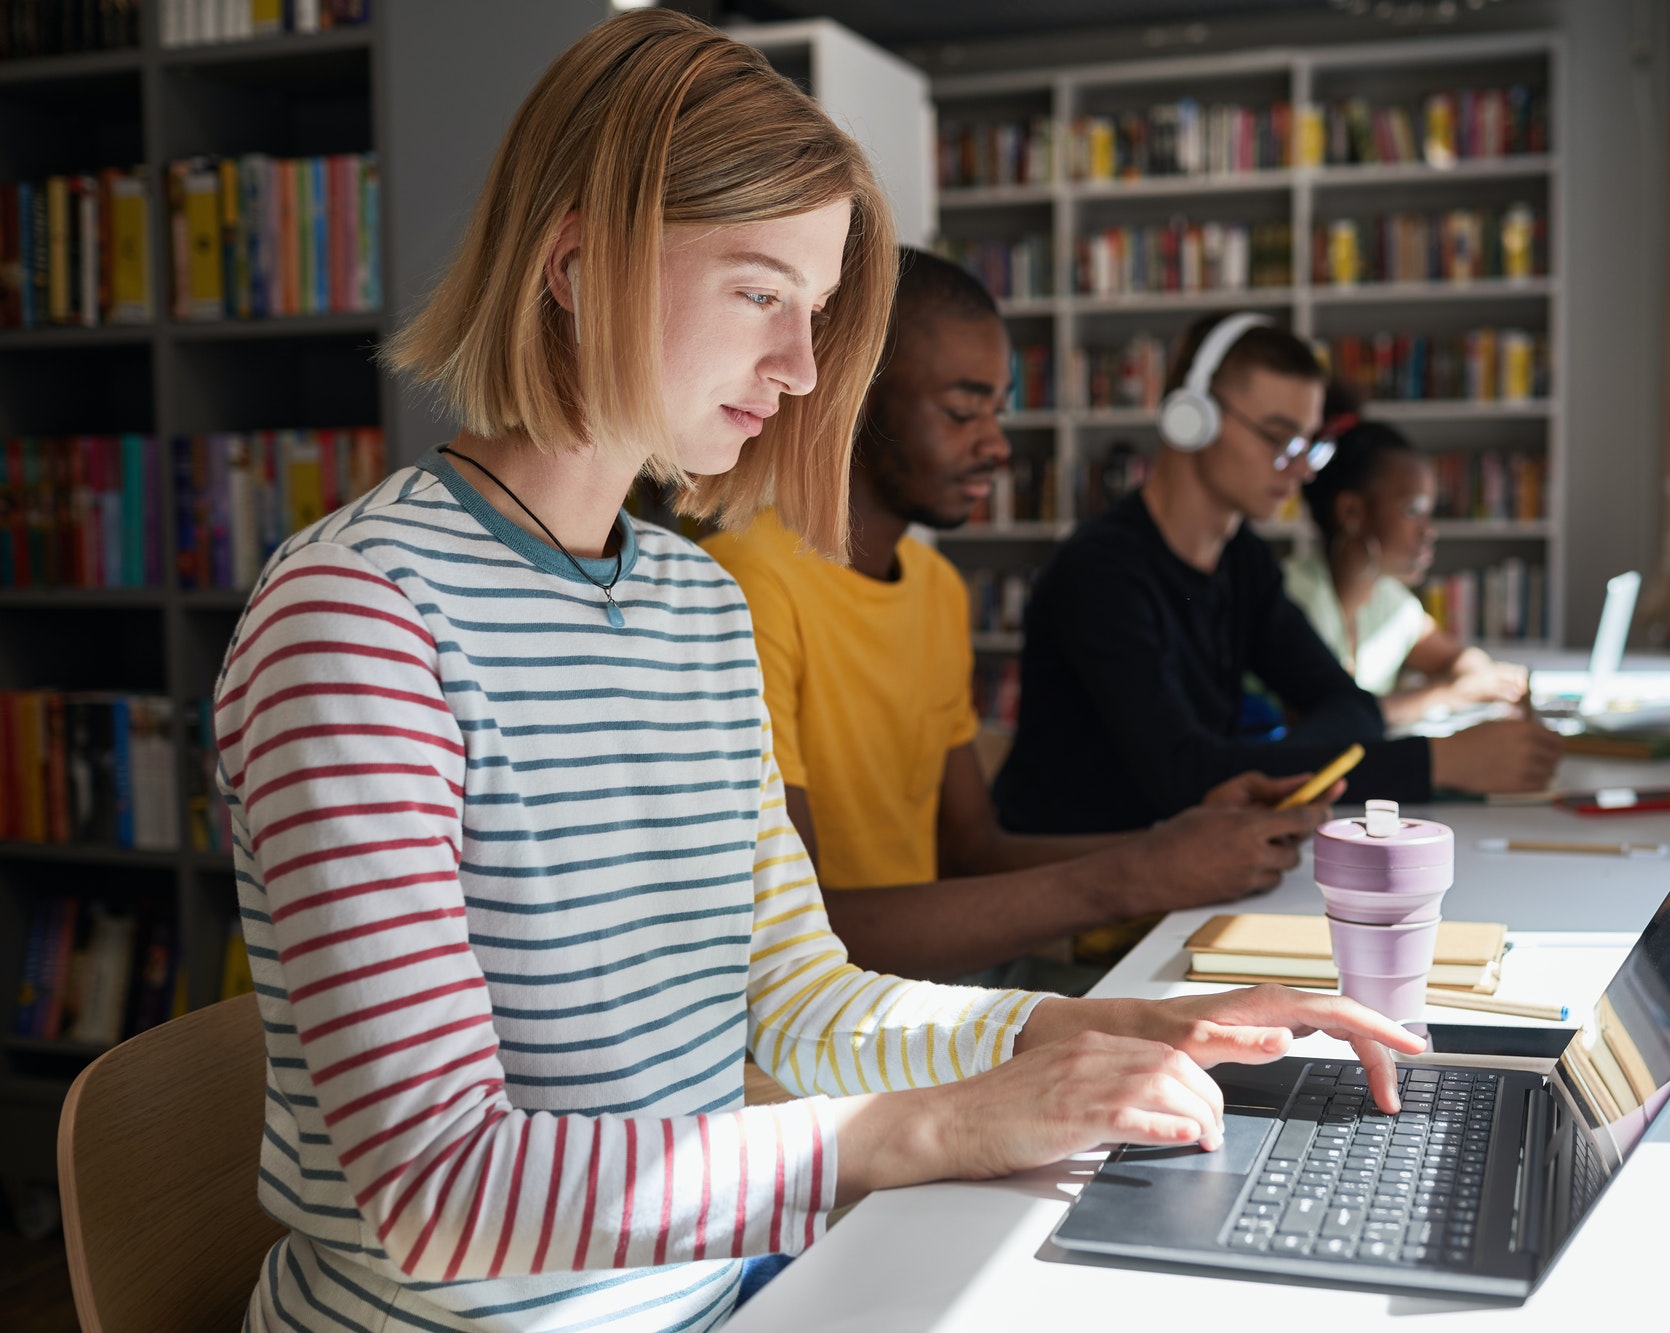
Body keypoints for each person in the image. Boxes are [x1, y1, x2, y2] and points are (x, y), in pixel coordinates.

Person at [213, 16, 1421, 1333]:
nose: (798, 372)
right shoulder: (359, 620)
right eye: (758, 293)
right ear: (574, 263)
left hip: (720, 1292)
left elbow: (797, 997)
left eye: (816, 312)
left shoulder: (693, 605)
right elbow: (442, 1191)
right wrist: (939, 1126)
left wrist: (1091, 1034)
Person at [706, 249, 1328, 985]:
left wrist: (1177, 842)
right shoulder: (746, 582)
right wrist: (1140, 874)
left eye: (997, 411)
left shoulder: (934, 586)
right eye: (963, 411)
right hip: (832, 1025)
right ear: (854, 397)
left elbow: (975, 850)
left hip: (934, 991)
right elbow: (807, 934)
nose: (997, 444)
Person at [993, 311, 1562, 837]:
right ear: (1193, 417)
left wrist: (1267, 761)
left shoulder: (1243, 560)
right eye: (1277, 436)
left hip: (1192, 863)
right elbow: (1185, 777)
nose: (1297, 468)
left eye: (1308, 444)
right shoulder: (1102, 571)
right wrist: (1436, 761)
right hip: (1084, 886)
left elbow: (1349, 705)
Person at [1288, 398, 1530, 725]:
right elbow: (1329, 717)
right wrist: (1448, 694)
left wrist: (1484, 677)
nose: (1428, 532)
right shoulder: (1295, 596)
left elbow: (1454, 656)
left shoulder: (1388, 601)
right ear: (1352, 513)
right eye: (1413, 511)